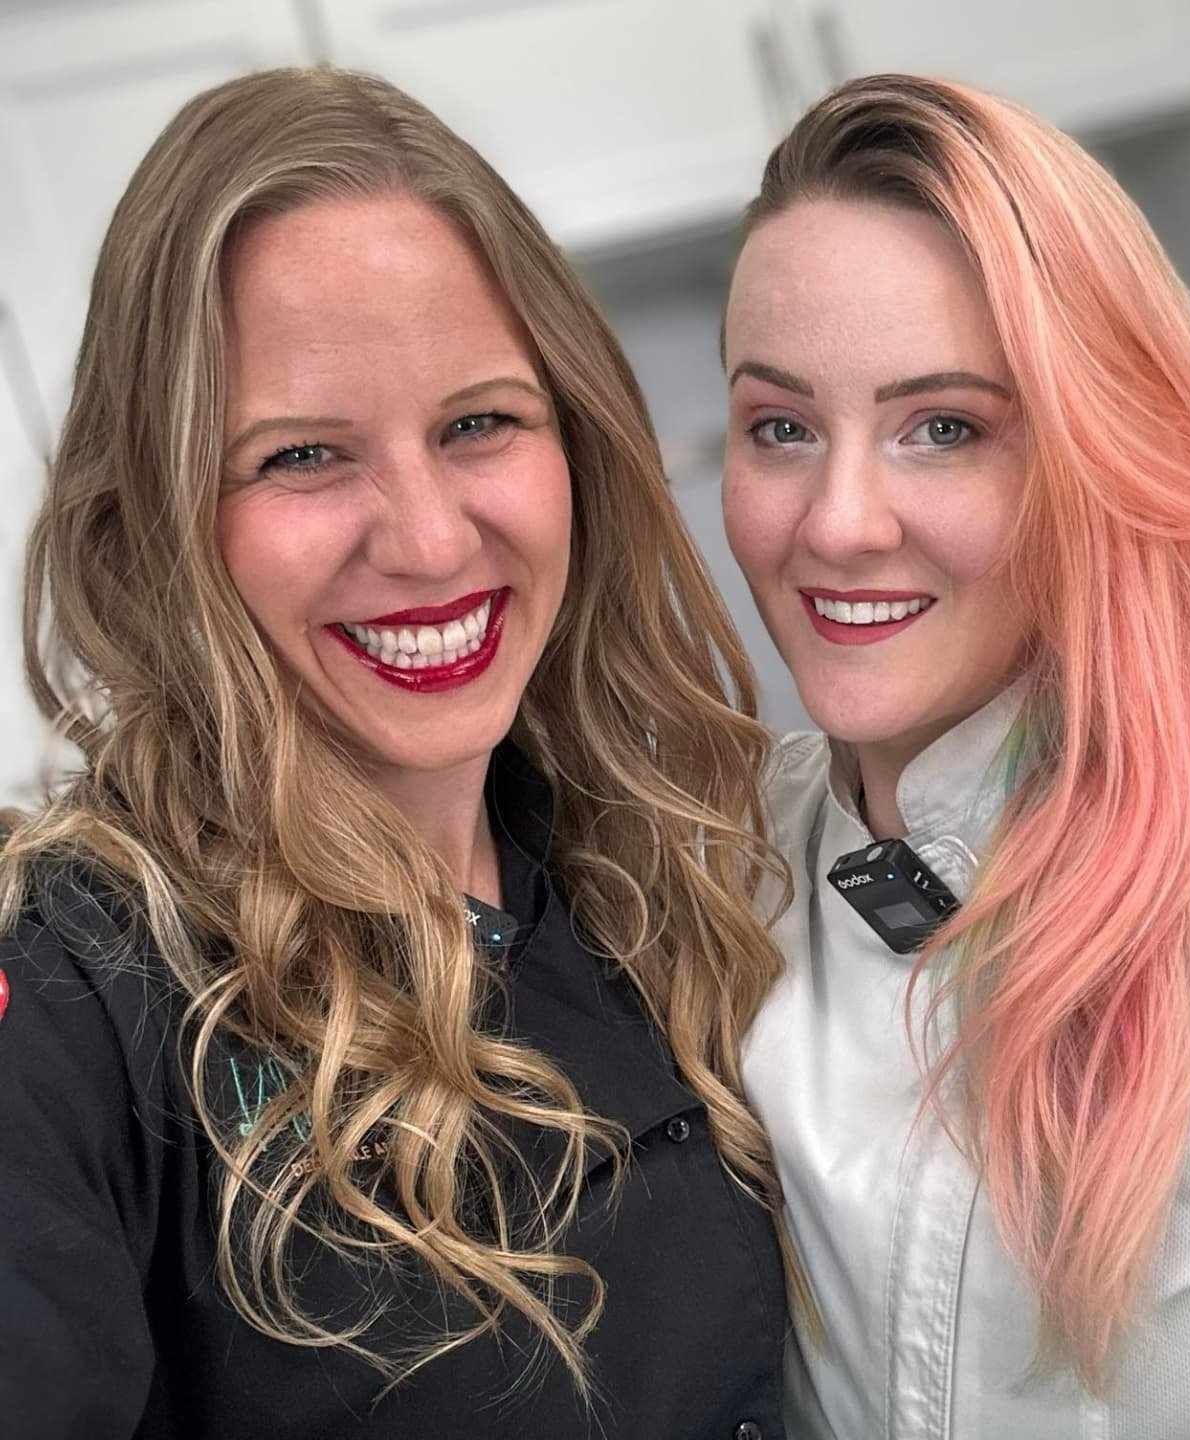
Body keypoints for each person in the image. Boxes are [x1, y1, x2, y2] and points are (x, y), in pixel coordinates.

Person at [0, 67, 791, 1439]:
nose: (428, 541)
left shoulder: (658, 873)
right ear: (161, 514)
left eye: (478, 423)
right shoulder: (73, 984)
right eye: (304, 456)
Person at [722, 73, 1190, 1438]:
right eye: (782, 428)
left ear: (1093, 454)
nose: (838, 521)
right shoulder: (730, 861)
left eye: (945, 428)